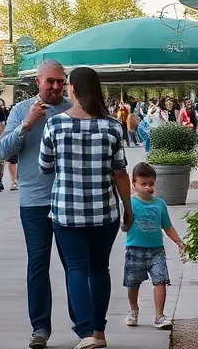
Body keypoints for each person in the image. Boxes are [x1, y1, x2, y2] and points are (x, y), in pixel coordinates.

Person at [39, 66, 132, 349]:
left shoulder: (55, 124)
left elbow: (45, 167)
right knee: (100, 269)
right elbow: (120, 172)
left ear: (74, 89)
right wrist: (128, 208)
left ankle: (85, 332)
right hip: (104, 211)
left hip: (67, 210)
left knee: (76, 269)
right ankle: (100, 332)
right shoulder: (113, 126)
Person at [0, 59, 74, 349]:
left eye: (60, 81)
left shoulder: (72, 109)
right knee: (38, 264)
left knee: (74, 265)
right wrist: (27, 124)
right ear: (38, 82)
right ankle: (40, 327)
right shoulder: (21, 110)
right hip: (34, 201)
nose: (55, 86)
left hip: (69, 199)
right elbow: (3, 152)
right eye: (49, 81)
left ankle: (83, 326)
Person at [124, 162, 186, 331]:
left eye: (151, 183)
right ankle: (133, 309)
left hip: (156, 250)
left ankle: (159, 316)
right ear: (134, 185)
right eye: (143, 184)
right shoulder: (129, 203)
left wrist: (179, 242)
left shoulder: (160, 204)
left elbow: (167, 226)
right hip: (134, 249)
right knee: (133, 283)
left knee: (160, 281)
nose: (148, 187)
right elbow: (122, 223)